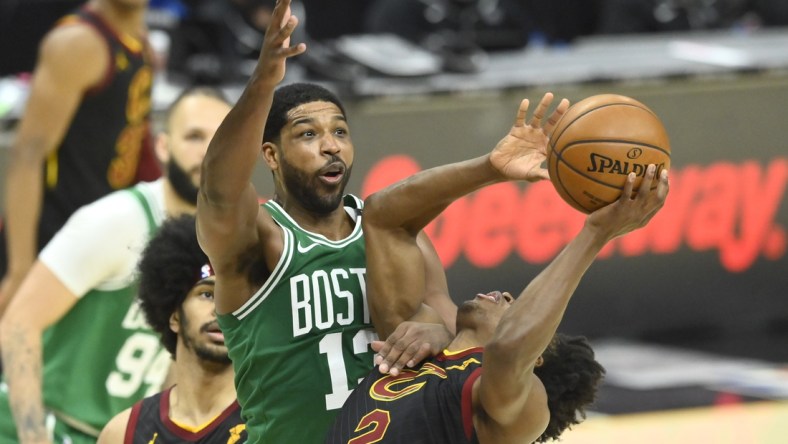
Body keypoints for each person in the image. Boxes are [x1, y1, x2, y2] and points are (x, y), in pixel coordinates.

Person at [326, 92, 670, 443]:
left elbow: (509, 349)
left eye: (515, 305)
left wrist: (596, 234)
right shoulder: (416, 346)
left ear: (534, 361)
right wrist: (490, 169)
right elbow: (385, 217)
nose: (507, 294)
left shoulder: (516, 409)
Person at [195, 1, 455, 441]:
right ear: (271, 155)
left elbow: (448, 326)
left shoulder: (389, 231)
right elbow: (219, 191)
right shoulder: (263, 239)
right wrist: (262, 83)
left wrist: (437, 332)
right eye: (308, 134)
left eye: (339, 131)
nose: (331, 146)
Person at [0, 87, 232, 444]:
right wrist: (33, 436)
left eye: (221, 139)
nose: (208, 153)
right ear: (163, 147)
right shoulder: (119, 220)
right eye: (194, 137)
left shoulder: (222, 242)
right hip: (41, 425)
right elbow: (18, 323)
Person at [0, 0, 161, 316]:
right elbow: (27, 157)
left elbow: (134, 143)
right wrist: (19, 270)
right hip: (51, 241)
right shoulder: (78, 43)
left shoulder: (139, 40)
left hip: (99, 240)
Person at [98, 214, 247, 444]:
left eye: (233, 298)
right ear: (174, 315)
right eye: (206, 294)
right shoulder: (122, 433)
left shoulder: (271, 426)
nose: (220, 309)